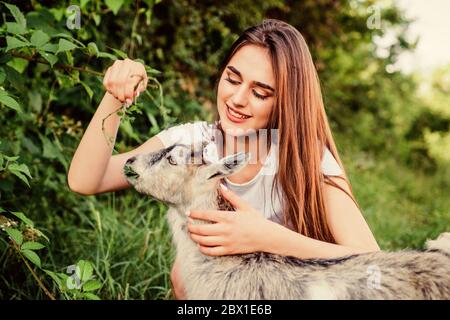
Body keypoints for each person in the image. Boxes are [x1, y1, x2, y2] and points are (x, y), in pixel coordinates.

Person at [68, 19, 380, 300]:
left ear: (285, 101)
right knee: (183, 275)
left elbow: (372, 264)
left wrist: (268, 238)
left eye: (260, 92)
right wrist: (116, 97)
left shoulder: (303, 159)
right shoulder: (192, 144)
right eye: (233, 79)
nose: (238, 99)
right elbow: (86, 180)